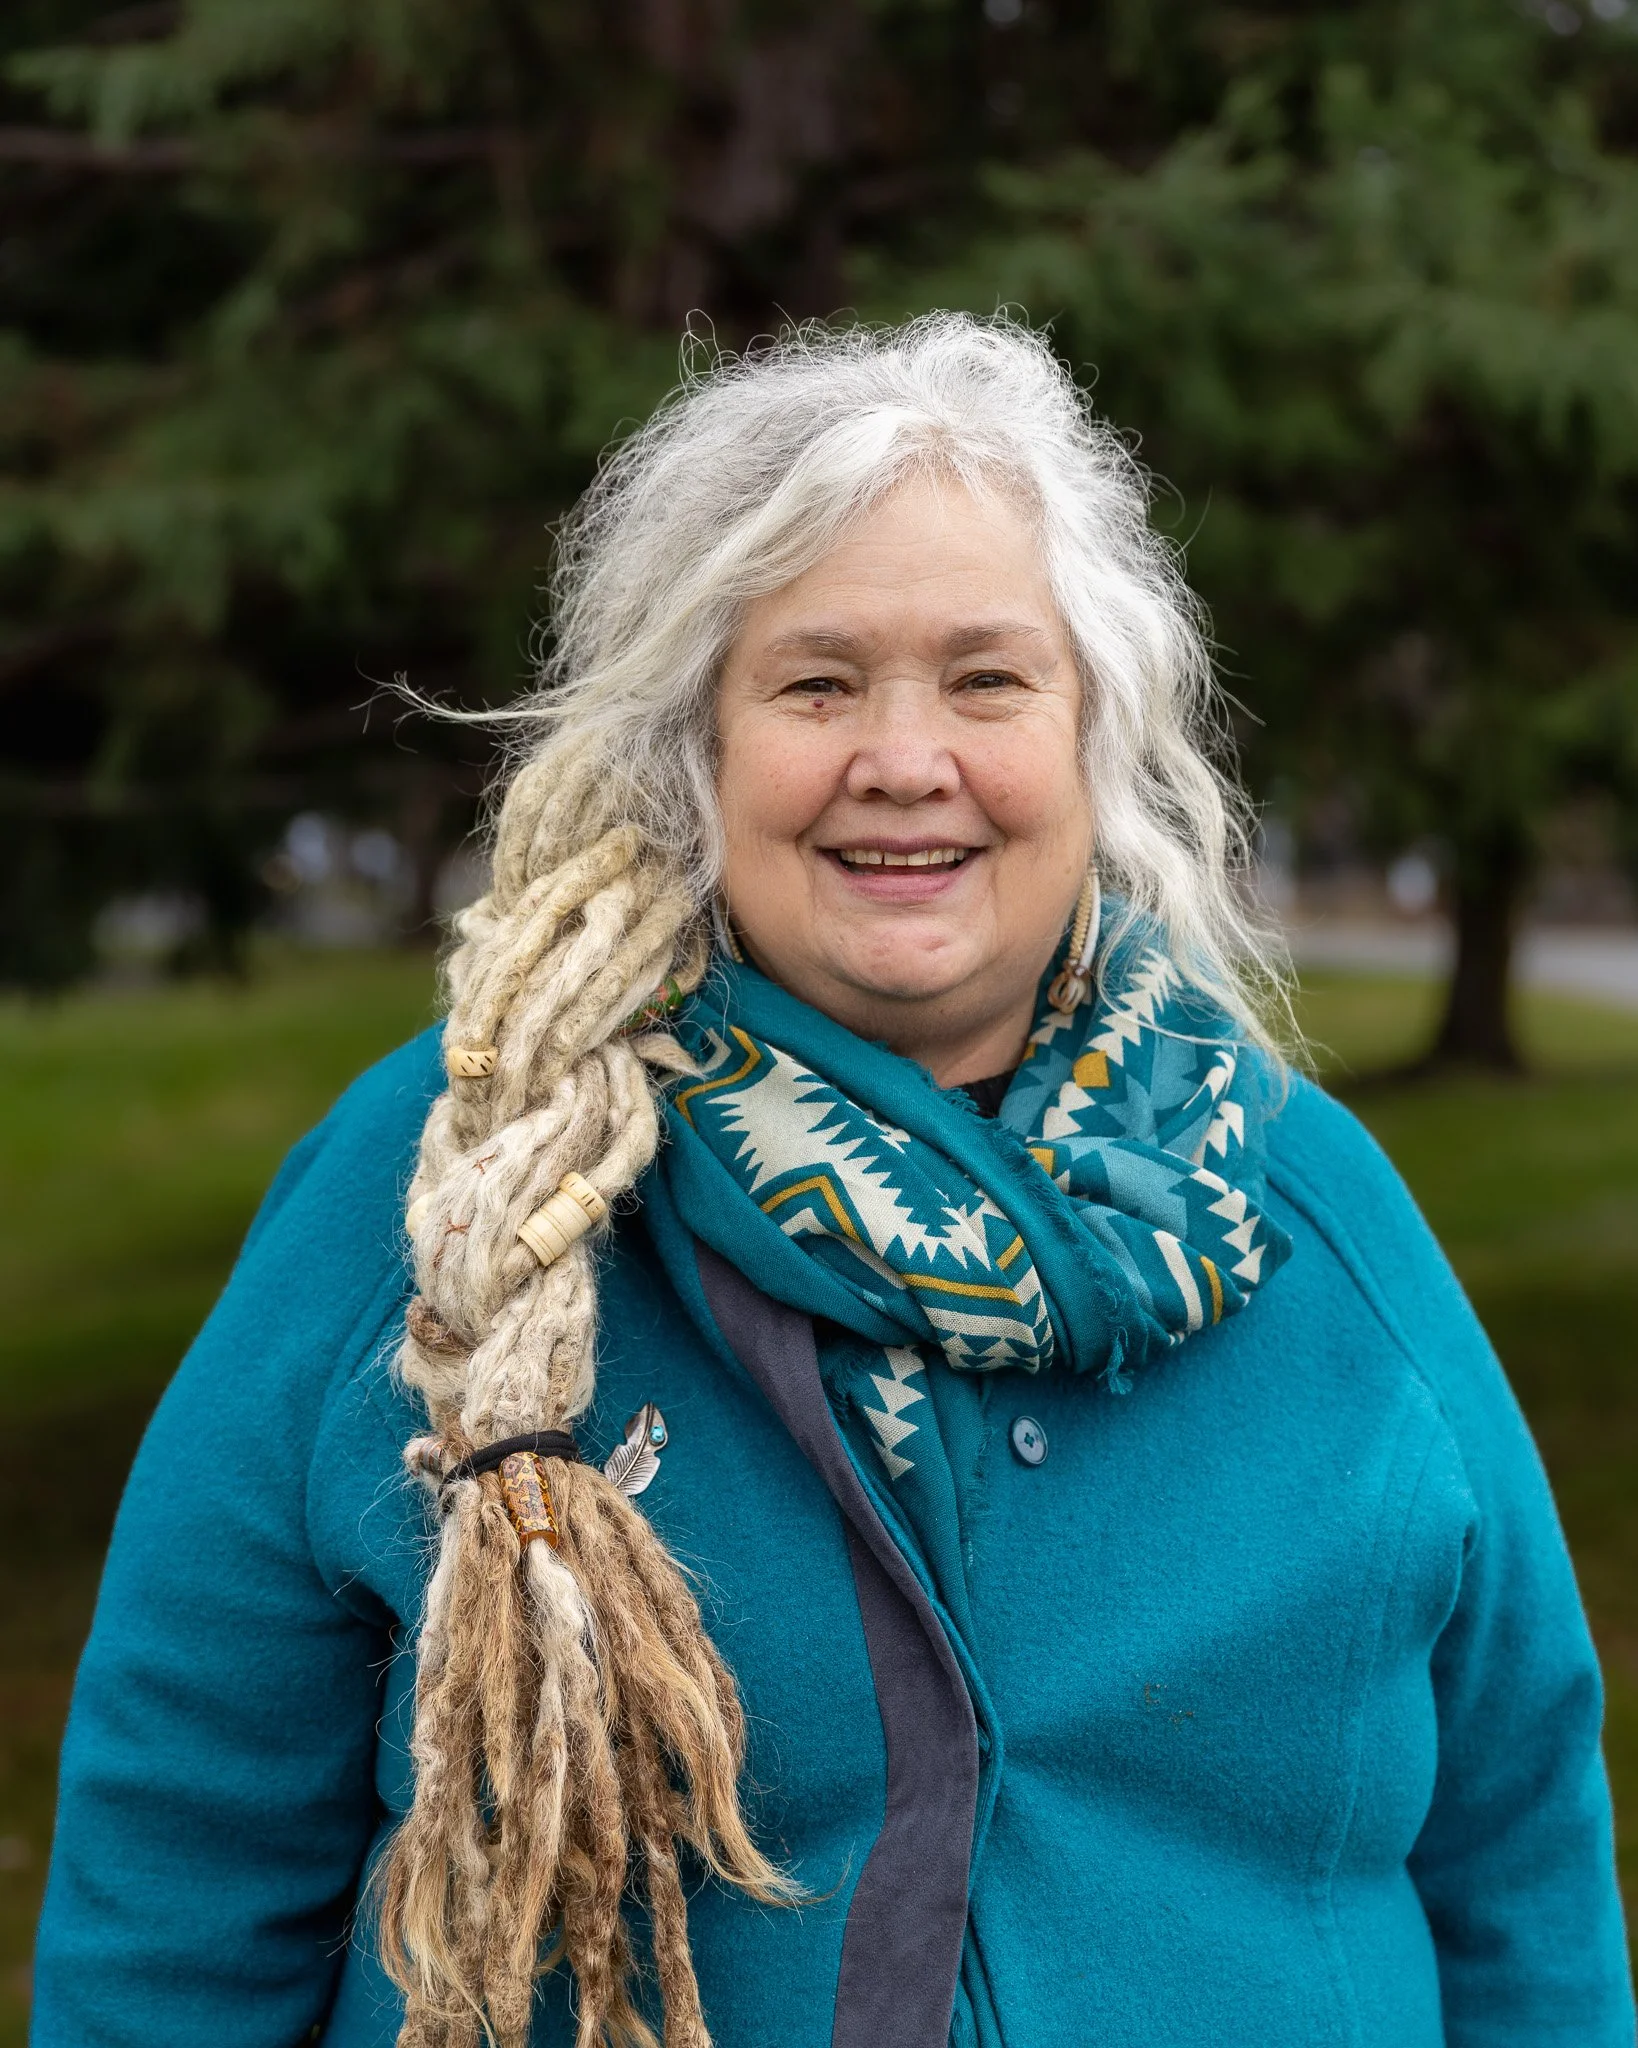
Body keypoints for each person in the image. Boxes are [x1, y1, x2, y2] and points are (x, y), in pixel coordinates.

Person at [32, 315, 1634, 2048]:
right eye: (815, 684)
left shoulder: (1308, 1205)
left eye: (987, 681)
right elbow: (179, 1865)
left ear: (1092, 735)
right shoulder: (455, 1180)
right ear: (695, 748)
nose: (904, 759)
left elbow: (1518, 1852)